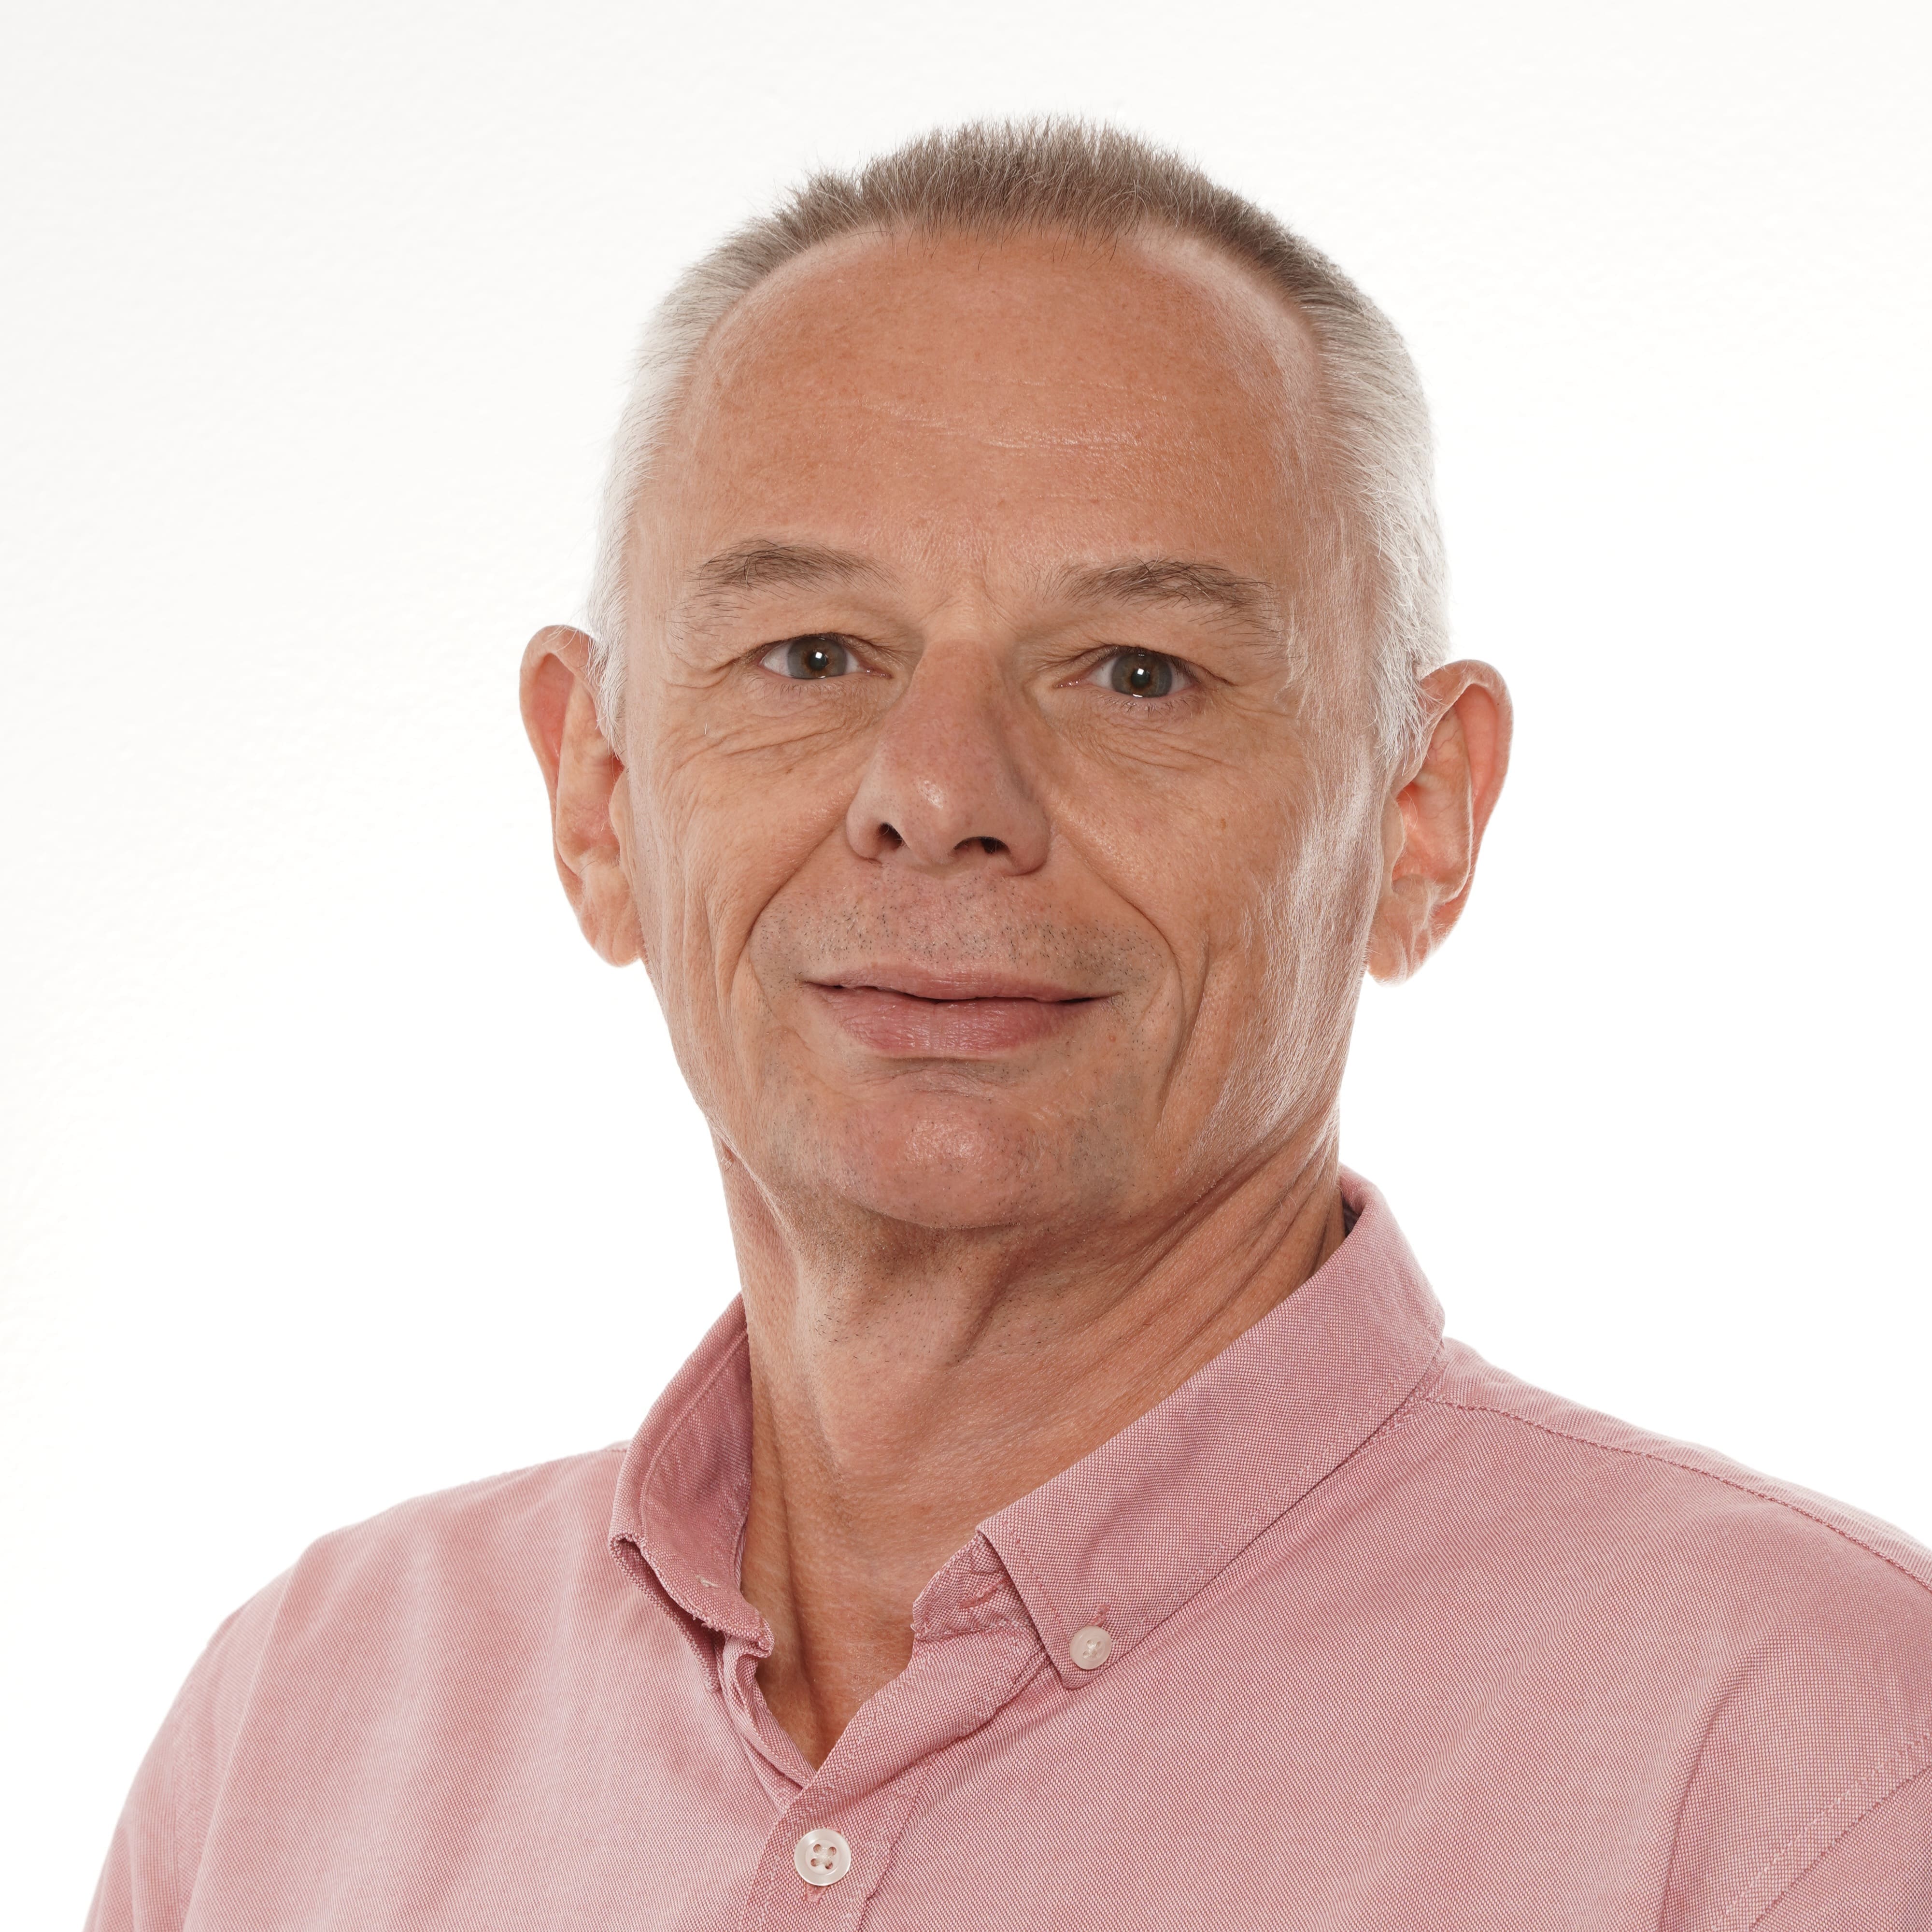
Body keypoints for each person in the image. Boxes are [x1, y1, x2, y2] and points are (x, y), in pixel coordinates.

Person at [87, 120, 1932, 1931]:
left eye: (1139, 674)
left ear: (1419, 821)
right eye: (814, 655)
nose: (941, 793)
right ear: (596, 799)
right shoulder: (297, 1729)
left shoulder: (1809, 1768)